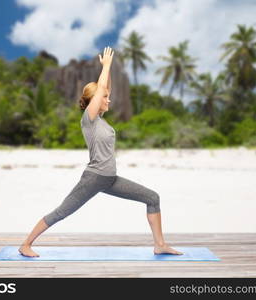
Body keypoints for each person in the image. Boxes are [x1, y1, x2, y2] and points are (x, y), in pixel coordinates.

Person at [19, 46, 182, 257]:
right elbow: (102, 90)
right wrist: (104, 68)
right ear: (94, 101)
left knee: (152, 198)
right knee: (62, 212)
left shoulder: (101, 121)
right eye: (104, 98)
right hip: (94, 178)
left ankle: (160, 245)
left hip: (110, 178)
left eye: (107, 97)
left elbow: (107, 88)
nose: (109, 100)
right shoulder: (89, 119)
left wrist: (109, 69)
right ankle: (26, 244)